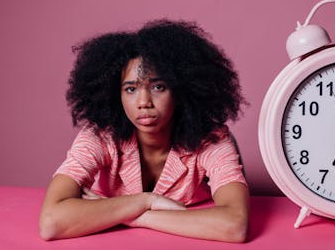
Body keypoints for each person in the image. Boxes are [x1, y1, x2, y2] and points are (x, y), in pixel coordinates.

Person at [39, 20, 249, 243]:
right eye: (130, 89)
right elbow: (51, 223)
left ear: (180, 90)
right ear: (115, 94)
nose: (143, 102)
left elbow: (235, 225)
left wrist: (136, 216)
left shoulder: (210, 139)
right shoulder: (100, 136)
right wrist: (145, 201)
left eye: (158, 87)